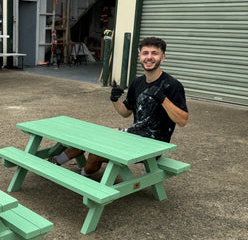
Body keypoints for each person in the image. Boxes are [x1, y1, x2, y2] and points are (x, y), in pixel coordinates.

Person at [51, 37, 188, 177]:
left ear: (162, 58)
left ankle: (82, 176)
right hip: (134, 134)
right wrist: (115, 100)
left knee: (95, 153)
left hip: (154, 144)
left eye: (155, 53)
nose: (149, 57)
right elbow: (125, 112)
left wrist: (163, 99)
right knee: (89, 138)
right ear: (140, 57)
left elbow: (182, 120)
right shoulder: (138, 82)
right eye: (145, 53)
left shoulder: (172, 85)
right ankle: (55, 162)